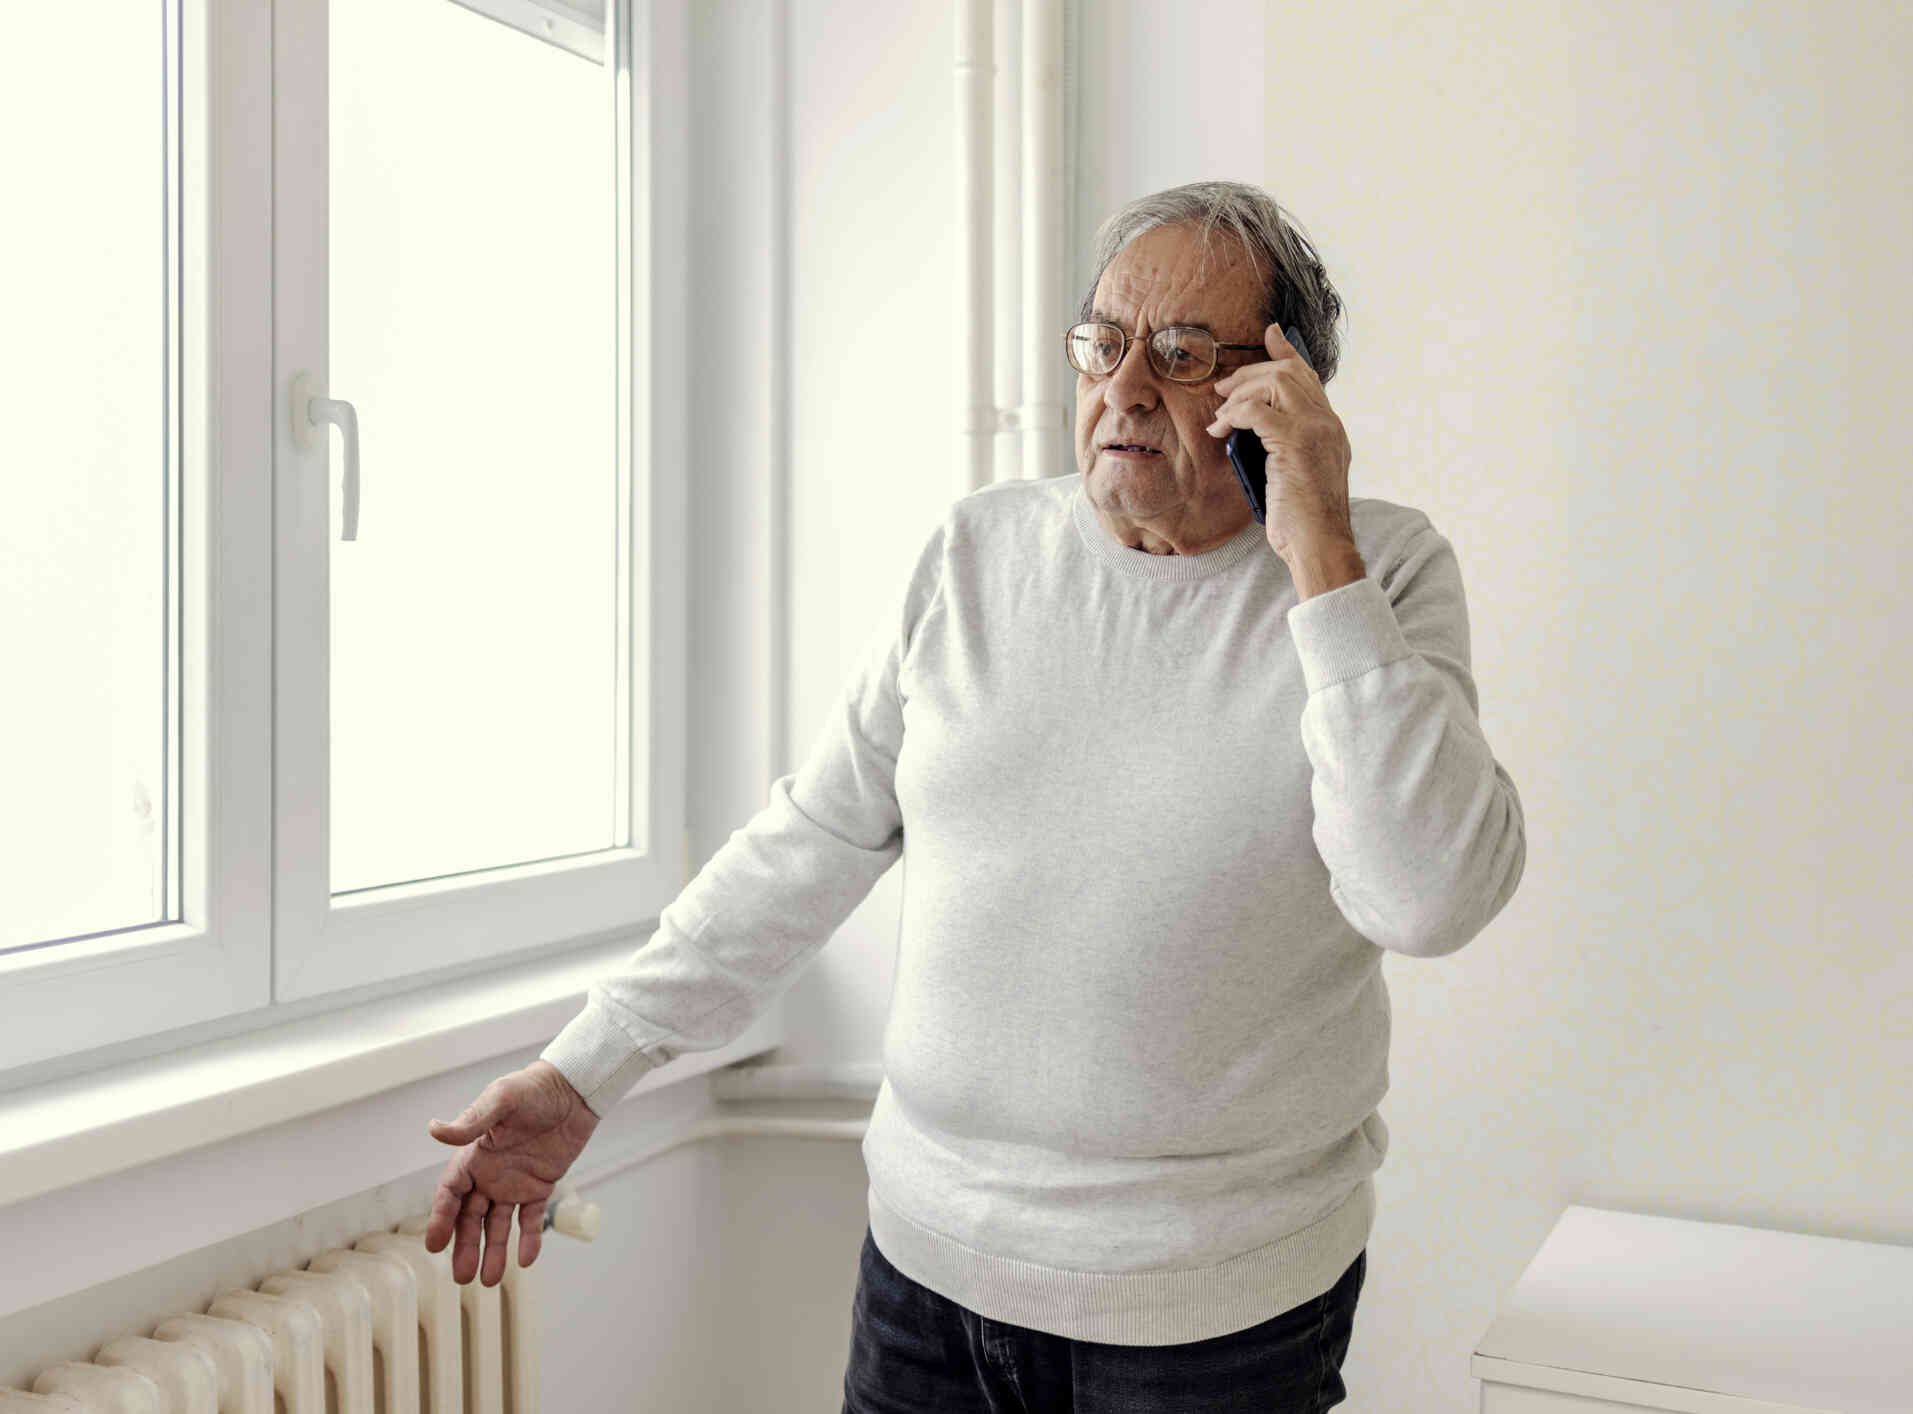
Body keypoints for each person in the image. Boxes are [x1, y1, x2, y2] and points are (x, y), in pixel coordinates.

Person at [422, 180, 1528, 1411]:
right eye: (1104, 343)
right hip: (925, 1286)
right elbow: (813, 836)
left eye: (1178, 354)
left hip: (1213, 1323)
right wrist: (584, 1073)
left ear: (1282, 396)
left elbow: (1427, 896)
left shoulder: (1377, 573)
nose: (1124, 388)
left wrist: (1319, 549)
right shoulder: (977, 554)